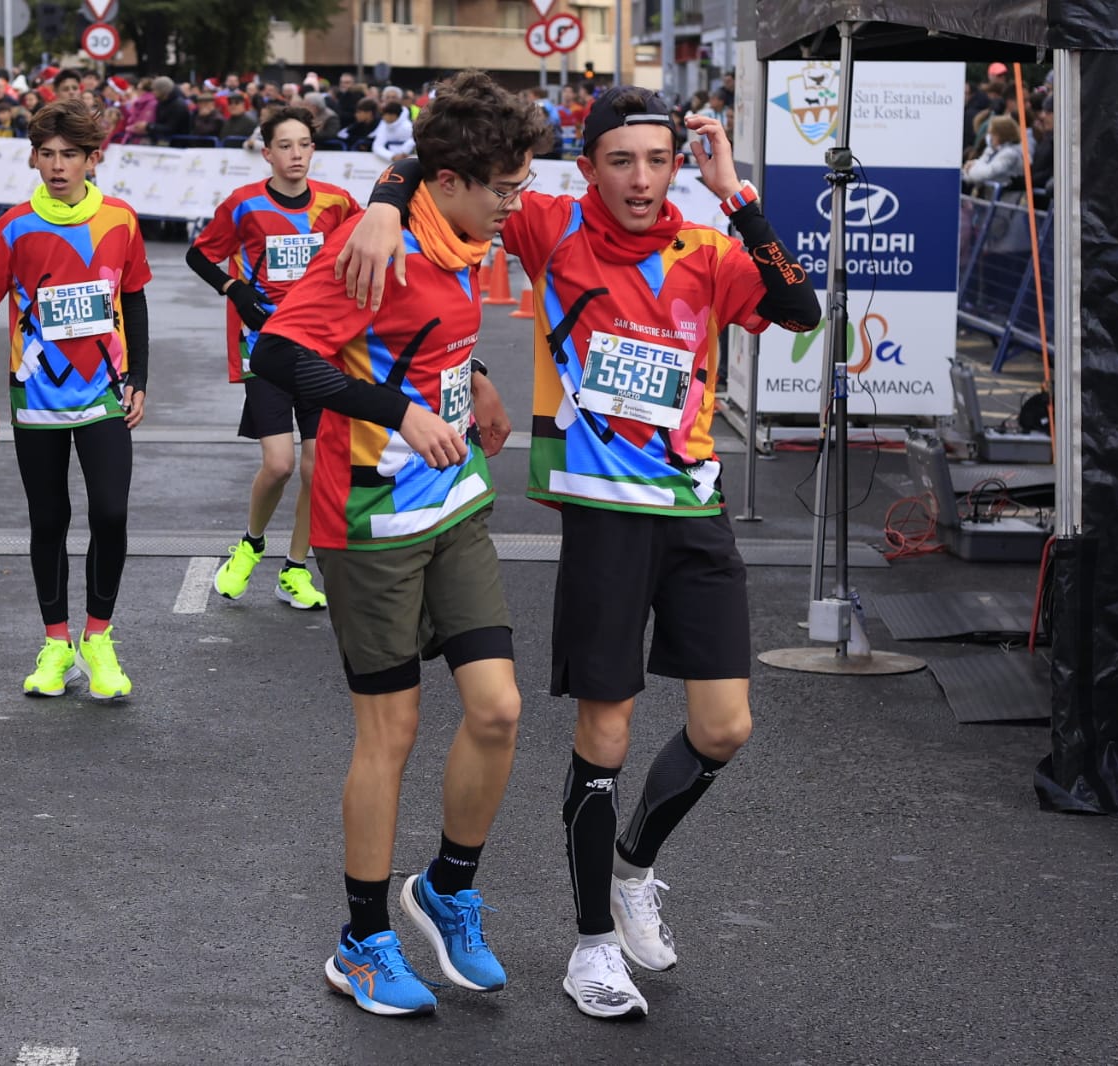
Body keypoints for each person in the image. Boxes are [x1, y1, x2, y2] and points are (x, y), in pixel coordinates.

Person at [338, 84, 822, 1019]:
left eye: (658, 159)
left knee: (725, 726)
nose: (641, 180)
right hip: (602, 516)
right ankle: (592, 945)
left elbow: (797, 310)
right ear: (588, 165)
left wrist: (739, 194)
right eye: (620, 160)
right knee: (603, 735)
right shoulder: (549, 227)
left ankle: (635, 869)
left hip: (694, 509)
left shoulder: (709, 248)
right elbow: (441, 161)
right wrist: (384, 205)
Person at [249, 70, 551, 1019]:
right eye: (506, 188)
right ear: (453, 180)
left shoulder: (455, 232)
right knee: (392, 731)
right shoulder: (371, 248)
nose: (518, 203)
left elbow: (429, 337)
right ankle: (362, 941)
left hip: (455, 504)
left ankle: (447, 891)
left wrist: (481, 379)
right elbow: (279, 356)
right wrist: (400, 410)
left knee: (497, 709)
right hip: (370, 523)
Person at [0, 100, 151, 702]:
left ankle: (99, 638)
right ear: (33, 157)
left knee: (111, 514)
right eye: (47, 154)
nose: (58, 165)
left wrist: (140, 377)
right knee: (49, 520)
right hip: (36, 398)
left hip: (103, 396)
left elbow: (137, 298)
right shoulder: (13, 225)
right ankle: (55, 643)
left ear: (93, 158)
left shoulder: (120, 219)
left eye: (70, 154)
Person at [185, 106, 358, 611]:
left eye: (304, 144)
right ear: (267, 153)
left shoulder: (338, 203)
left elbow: (368, 243)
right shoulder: (244, 205)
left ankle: (295, 569)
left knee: (315, 466)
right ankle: (252, 543)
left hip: (322, 348)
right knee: (279, 465)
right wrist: (234, 289)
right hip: (265, 349)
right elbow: (199, 254)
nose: (296, 154)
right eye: (285, 146)